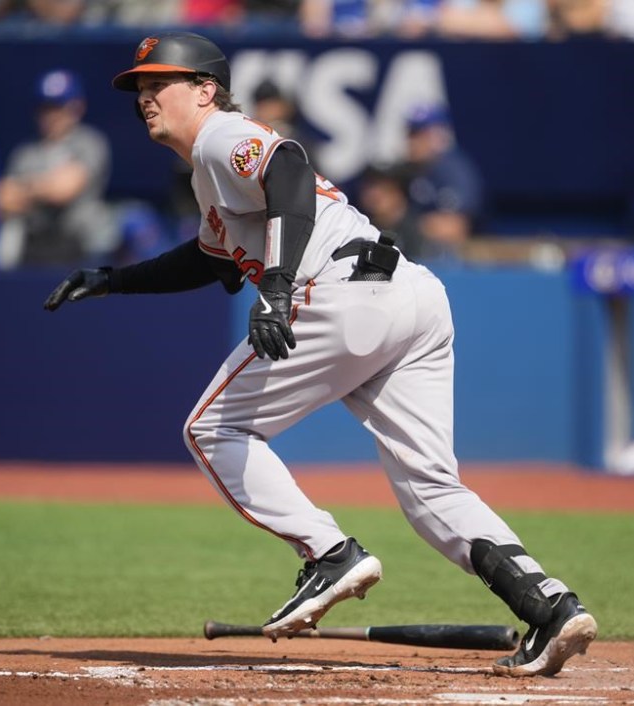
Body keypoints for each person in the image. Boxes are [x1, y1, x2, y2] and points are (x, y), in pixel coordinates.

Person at [43, 31, 597, 677]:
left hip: (340, 295)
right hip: (409, 296)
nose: (145, 96)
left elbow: (289, 167)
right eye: (139, 86)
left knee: (214, 427)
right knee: (429, 488)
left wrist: (276, 287)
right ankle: (549, 604)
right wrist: (115, 279)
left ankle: (329, 554)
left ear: (204, 89)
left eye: (159, 82)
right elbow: (208, 258)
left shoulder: (223, 134)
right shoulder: (209, 173)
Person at [0, 69, 118, 269]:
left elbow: (64, 190)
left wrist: (25, 189)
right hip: (37, 243)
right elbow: (3, 199)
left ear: (77, 107)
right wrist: (45, 186)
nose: (51, 115)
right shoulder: (25, 152)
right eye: (45, 107)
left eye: (58, 107)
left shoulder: (89, 141)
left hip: (82, 243)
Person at [397, 103, 486, 258]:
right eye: (410, 133)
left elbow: (455, 228)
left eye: (419, 134)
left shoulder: (454, 170)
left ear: (439, 135)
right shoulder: (405, 170)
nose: (412, 141)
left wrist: (408, 225)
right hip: (415, 254)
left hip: (457, 261)